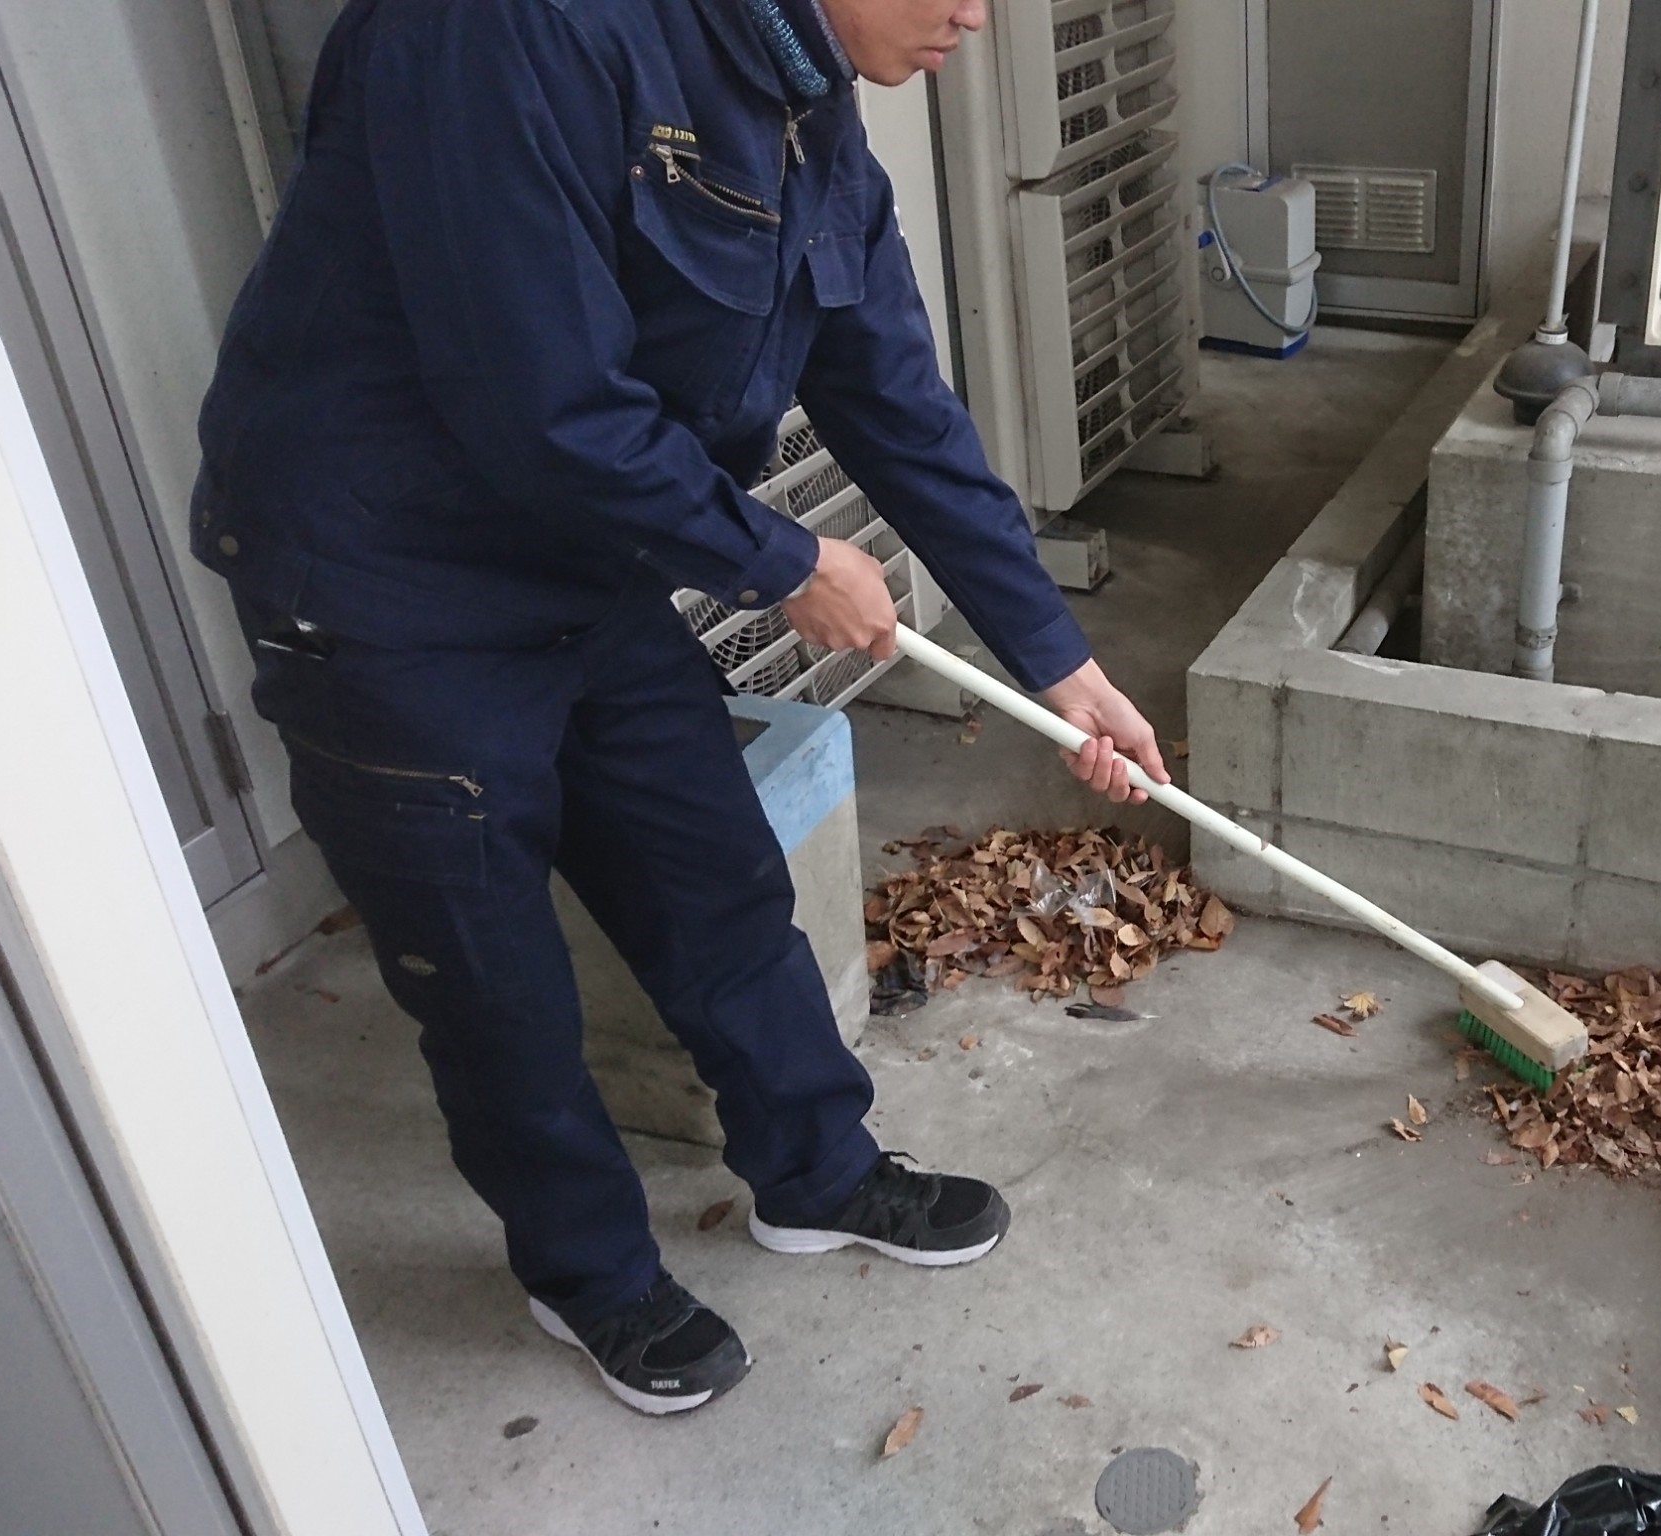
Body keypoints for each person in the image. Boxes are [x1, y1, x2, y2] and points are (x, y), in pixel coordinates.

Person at [192, 0, 1166, 1416]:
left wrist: (1059, 667)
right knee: (495, 984)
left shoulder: (803, 89)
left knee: (716, 886)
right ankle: (588, 1274)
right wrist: (780, 563)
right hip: (390, 590)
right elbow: (534, 396)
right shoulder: (499, 34)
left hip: (586, 563)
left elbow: (893, 394)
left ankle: (816, 1173)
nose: (976, 11)